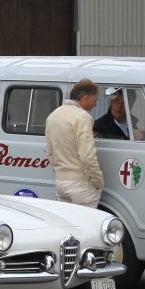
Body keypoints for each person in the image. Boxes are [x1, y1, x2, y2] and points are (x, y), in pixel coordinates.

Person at [43, 78, 105, 206]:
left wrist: (61, 172)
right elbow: (87, 156)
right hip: (81, 185)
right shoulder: (83, 117)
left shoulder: (53, 115)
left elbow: (49, 153)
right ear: (85, 98)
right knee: (86, 219)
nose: (95, 104)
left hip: (61, 183)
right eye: (95, 100)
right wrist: (98, 181)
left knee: (65, 218)